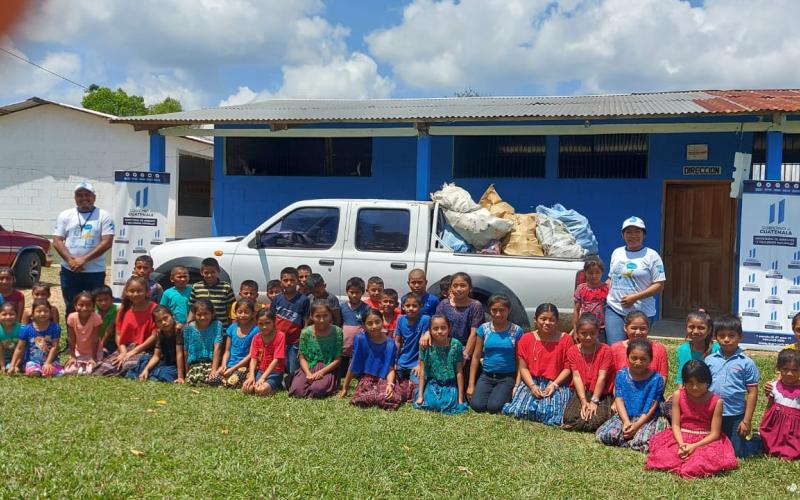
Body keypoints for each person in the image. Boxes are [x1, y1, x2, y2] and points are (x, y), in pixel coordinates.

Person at [646, 360, 738, 478]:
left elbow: (715, 433)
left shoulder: (716, 401)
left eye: (699, 382)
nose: (695, 387)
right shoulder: (678, 395)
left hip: (705, 440)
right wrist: (681, 445)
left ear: (708, 381)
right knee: (664, 457)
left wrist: (693, 446)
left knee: (697, 465)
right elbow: (675, 425)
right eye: (690, 382)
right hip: (680, 437)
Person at [502, 303, 572, 426]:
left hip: (557, 383)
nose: (547, 323)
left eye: (551, 320)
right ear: (535, 320)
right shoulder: (526, 338)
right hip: (532, 381)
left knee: (548, 413)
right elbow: (523, 368)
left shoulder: (565, 339)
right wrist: (533, 386)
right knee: (521, 411)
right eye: (543, 319)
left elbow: (567, 368)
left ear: (557, 322)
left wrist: (554, 385)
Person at [595, 338, 667, 453]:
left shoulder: (656, 379)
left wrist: (637, 425)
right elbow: (619, 399)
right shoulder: (621, 375)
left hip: (648, 418)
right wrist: (626, 422)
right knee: (605, 435)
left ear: (650, 360)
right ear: (628, 357)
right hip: (626, 416)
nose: (638, 362)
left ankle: (635, 436)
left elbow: (652, 405)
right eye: (634, 358)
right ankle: (630, 434)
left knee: (643, 443)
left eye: (643, 359)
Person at [705, 314, 762, 458]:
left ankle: (756, 441)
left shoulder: (746, 363)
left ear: (740, 337)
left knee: (737, 453)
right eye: (722, 335)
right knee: (713, 449)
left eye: (731, 335)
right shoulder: (709, 360)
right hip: (712, 413)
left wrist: (746, 421)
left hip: (736, 414)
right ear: (715, 337)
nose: (726, 339)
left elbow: (752, 392)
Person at [52, 181, 114, 314]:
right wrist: (70, 261)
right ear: (75, 198)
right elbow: (57, 241)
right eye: (79, 195)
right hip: (69, 271)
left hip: (94, 272)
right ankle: (72, 335)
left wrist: (83, 260)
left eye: (87, 195)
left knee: (95, 307)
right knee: (71, 306)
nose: (83, 198)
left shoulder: (104, 216)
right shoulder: (65, 215)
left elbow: (107, 242)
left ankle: (93, 335)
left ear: (94, 198)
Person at [605, 216, 666, 344]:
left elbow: (659, 285)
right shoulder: (617, 252)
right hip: (615, 308)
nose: (633, 235)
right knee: (616, 347)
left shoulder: (652, 255)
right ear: (623, 235)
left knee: (637, 348)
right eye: (628, 232)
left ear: (644, 234)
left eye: (637, 232)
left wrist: (635, 297)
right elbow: (611, 278)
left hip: (641, 311)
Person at [468, 294, 523, 414]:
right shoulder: (484, 329)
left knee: (494, 407)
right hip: (487, 375)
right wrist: (471, 385)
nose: (498, 314)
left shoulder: (516, 331)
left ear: (509, 311)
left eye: (502, 310)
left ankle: (503, 393)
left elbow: (520, 361)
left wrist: (517, 385)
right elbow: (476, 357)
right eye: (494, 310)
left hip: (507, 377)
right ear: (489, 310)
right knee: (477, 405)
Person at [339, 308, 403, 410]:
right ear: (364, 326)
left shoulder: (390, 344)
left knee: (388, 398)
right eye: (370, 323)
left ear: (382, 322)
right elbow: (354, 364)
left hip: (384, 378)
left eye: (377, 322)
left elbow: (390, 368)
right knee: (360, 399)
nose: (374, 326)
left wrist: (390, 385)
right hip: (367, 378)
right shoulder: (360, 339)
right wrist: (345, 388)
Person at [93, 277, 156, 377]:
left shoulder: (154, 308)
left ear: (147, 292)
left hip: (144, 348)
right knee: (103, 368)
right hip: (125, 347)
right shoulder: (124, 309)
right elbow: (118, 334)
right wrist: (123, 352)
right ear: (126, 292)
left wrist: (132, 353)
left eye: (139, 291)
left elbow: (154, 336)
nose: (135, 294)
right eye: (132, 291)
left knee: (129, 366)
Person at [563, 312, 614, 432]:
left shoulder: (606, 350)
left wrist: (594, 401)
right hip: (583, 391)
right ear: (577, 333)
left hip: (600, 393)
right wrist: (583, 401)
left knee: (597, 418)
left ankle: (586, 423)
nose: (588, 337)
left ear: (598, 332)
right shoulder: (572, 351)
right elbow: (577, 377)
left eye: (592, 333)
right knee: (569, 417)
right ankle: (583, 422)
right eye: (583, 333)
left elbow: (602, 377)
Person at [413, 315, 468, 415]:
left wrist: (460, 398)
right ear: (429, 330)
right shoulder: (425, 345)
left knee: (448, 403)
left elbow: (459, 372)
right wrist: (420, 395)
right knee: (432, 404)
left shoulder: (456, 345)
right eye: (435, 328)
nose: (439, 331)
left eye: (443, 328)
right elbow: (423, 371)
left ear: (449, 328)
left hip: (449, 384)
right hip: (433, 383)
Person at [289, 300, 343, 399]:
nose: (322, 320)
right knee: (297, 391)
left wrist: (321, 372)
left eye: (325, 316)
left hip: (327, 368)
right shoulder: (305, 332)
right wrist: (308, 373)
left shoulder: (338, 332)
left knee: (316, 390)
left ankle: (329, 383)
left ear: (331, 315)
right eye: (317, 316)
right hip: (308, 367)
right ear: (312, 317)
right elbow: (302, 356)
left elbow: (338, 359)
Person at [432, 272, 483, 372]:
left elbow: (474, 334)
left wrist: (465, 355)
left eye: (463, 285)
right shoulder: (444, 304)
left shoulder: (475, 306)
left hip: (466, 348)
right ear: (450, 288)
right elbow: (435, 325)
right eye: (455, 286)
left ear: (470, 288)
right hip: (445, 346)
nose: (458, 289)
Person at [270, 267, 310, 388]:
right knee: (278, 365)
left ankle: (292, 382)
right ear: (280, 281)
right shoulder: (277, 299)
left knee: (293, 368)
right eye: (285, 280)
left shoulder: (304, 300)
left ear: (297, 281)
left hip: (294, 341)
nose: (289, 283)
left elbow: (306, 321)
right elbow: (271, 319)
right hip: (278, 340)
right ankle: (277, 382)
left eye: (292, 280)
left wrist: (303, 339)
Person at [759, 348, 800, 461]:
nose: (789, 373)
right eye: (785, 369)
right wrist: (765, 420)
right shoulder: (773, 386)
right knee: (771, 439)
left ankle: (789, 453)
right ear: (779, 369)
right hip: (776, 423)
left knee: (793, 445)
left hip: (795, 428)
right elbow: (770, 406)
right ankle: (772, 449)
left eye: (795, 370)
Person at [127, 306, 185, 383]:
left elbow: (179, 354)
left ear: (173, 316)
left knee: (163, 373)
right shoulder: (160, 333)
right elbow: (156, 356)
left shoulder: (178, 330)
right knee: (142, 365)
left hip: (179, 364)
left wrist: (180, 377)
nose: (163, 322)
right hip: (166, 361)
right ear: (155, 323)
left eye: (165, 318)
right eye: (159, 321)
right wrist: (146, 370)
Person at [8, 299, 62, 377]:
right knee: (34, 373)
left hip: (51, 360)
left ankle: (45, 370)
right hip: (32, 361)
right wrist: (12, 366)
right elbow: (19, 348)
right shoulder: (26, 329)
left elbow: (55, 347)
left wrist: (48, 363)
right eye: (39, 311)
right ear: (32, 314)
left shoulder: (55, 327)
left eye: (46, 311)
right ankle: (38, 371)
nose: (42, 314)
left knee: (53, 372)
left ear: (50, 313)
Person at [212, 298, 258, 388]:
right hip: (230, 364)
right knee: (212, 379)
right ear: (235, 313)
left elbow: (251, 355)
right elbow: (227, 351)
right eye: (240, 312)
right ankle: (224, 379)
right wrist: (223, 365)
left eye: (246, 312)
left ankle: (227, 381)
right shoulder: (232, 328)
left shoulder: (256, 330)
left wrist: (233, 369)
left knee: (231, 382)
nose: (243, 315)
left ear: (253, 314)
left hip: (244, 366)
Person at [610, 311, 669, 380]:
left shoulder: (658, 349)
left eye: (643, 329)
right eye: (634, 328)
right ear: (625, 328)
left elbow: (662, 377)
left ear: (648, 329)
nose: (638, 332)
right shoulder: (615, 349)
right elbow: (611, 378)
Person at [394, 292, 430, 400]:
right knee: (390, 382)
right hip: (402, 360)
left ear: (421, 306)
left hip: (416, 363)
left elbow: (424, 344)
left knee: (416, 391)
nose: (411, 308)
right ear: (403, 307)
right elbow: (397, 341)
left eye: (414, 306)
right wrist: (394, 361)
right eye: (408, 306)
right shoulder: (401, 319)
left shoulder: (425, 319)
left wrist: (420, 364)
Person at [242, 309, 286, 397]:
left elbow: (276, 360)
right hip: (260, 371)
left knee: (260, 390)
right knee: (247, 389)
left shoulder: (280, 336)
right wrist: (251, 376)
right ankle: (269, 385)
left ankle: (277, 385)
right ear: (256, 323)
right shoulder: (256, 337)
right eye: (261, 324)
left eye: (268, 323)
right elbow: (253, 359)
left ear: (274, 322)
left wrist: (263, 378)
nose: (264, 327)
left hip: (275, 372)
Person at [182, 299, 223, 385]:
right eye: (199, 315)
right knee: (195, 379)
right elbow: (186, 350)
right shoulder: (188, 328)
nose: (203, 317)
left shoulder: (217, 325)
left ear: (212, 314)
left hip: (211, 362)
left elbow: (217, 348)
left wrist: (214, 370)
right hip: (195, 363)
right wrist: (186, 372)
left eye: (206, 314)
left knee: (213, 379)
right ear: (194, 315)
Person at [188, 257, 236, 329]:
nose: (209, 275)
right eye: (206, 272)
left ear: (218, 271)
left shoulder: (226, 287)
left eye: (213, 272)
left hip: (221, 329)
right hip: (202, 329)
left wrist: (231, 328)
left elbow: (230, 310)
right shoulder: (196, 287)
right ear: (201, 272)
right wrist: (188, 323)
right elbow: (192, 308)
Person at [675, 310, 718, 386]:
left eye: (701, 328)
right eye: (691, 327)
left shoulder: (717, 350)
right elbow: (681, 378)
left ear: (709, 330)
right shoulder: (683, 350)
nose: (695, 331)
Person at [63, 291, 102, 375]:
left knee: (90, 371)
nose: (84, 308)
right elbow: (71, 338)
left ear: (93, 307)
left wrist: (93, 357)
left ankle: (86, 364)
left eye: (88, 305)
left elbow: (95, 339)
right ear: (75, 306)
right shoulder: (71, 317)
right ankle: (80, 364)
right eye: (81, 305)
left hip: (94, 352)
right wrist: (73, 356)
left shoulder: (96, 318)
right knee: (69, 370)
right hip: (79, 352)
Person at [572, 257, 608, 342]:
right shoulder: (581, 288)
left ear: (602, 273)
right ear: (585, 273)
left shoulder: (606, 288)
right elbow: (576, 310)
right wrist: (575, 330)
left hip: (601, 328)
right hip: (585, 327)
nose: (594, 276)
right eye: (590, 273)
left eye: (597, 272)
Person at [340, 277, 370, 377]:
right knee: (341, 373)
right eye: (351, 292)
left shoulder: (366, 308)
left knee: (356, 373)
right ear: (346, 291)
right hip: (343, 348)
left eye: (357, 292)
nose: (354, 295)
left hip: (358, 348)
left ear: (362, 293)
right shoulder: (342, 307)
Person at [93, 285, 118, 355]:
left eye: (106, 299)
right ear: (95, 302)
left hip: (111, 340)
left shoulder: (117, 310)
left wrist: (101, 346)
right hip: (95, 339)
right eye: (99, 300)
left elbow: (109, 330)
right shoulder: (93, 310)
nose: (103, 303)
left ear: (112, 299)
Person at [0, 302, 21, 374]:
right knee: (5, 367)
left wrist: (15, 365)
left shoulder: (21, 329)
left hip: (17, 358)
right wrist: (2, 366)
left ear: (16, 315)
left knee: (11, 368)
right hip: (3, 357)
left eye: (11, 314)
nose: (8, 317)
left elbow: (22, 349)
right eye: (4, 314)